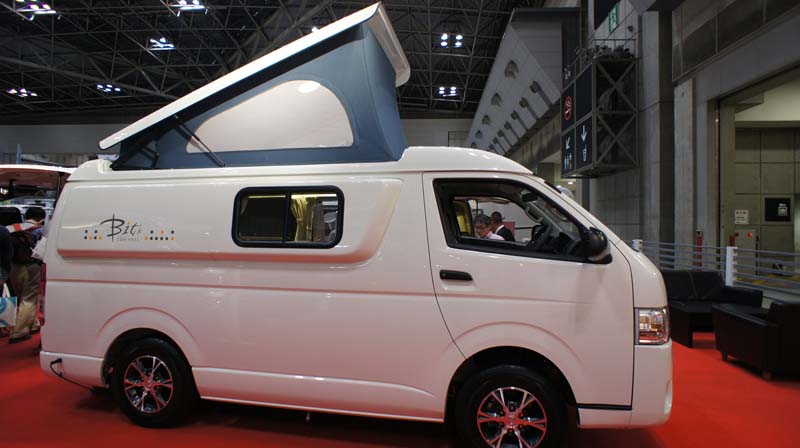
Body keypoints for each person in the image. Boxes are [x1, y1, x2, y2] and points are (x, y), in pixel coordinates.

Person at [7, 207, 46, 344]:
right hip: (32, 267)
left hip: (14, 267)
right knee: (29, 299)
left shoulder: (11, 229)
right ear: (41, 219)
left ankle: (33, 323)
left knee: (20, 297)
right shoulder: (41, 231)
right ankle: (19, 332)